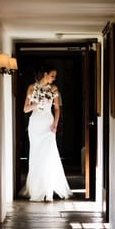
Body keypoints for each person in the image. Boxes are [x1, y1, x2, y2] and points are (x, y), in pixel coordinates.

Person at [20, 66, 73, 201]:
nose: (54, 79)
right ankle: (36, 189)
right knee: (36, 156)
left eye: (54, 76)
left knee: (50, 155)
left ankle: (49, 190)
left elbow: (56, 109)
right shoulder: (32, 88)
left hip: (48, 125)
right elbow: (25, 109)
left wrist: (55, 123)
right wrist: (37, 105)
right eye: (52, 75)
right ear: (45, 74)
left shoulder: (54, 89)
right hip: (35, 125)